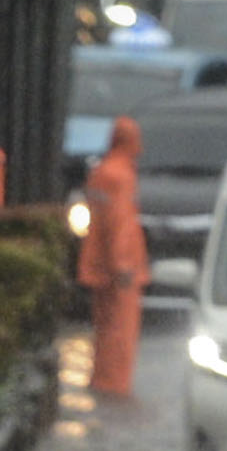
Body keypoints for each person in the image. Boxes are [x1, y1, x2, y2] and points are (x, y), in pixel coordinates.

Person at [79, 116, 145, 395]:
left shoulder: (101, 173)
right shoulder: (122, 177)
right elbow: (121, 225)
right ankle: (114, 386)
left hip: (98, 263)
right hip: (119, 271)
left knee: (104, 329)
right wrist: (124, 265)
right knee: (120, 332)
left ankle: (101, 380)